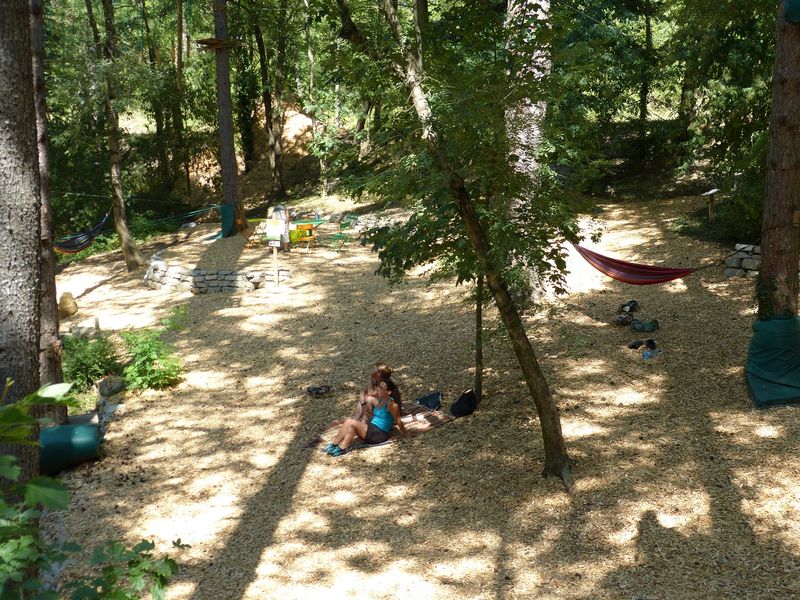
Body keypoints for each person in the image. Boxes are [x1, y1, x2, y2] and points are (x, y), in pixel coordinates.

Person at [325, 381, 408, 456]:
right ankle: (334, 444)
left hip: (379, 434)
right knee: (349, 421)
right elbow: (369, 399)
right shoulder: (380, 400)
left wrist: (406, 435)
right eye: (379, 387)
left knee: (353, 423)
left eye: (382, 388)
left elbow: (398, 421)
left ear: (389, 392)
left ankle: (342, 448)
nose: (378, 389)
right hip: (372, 429)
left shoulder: (392, 405)